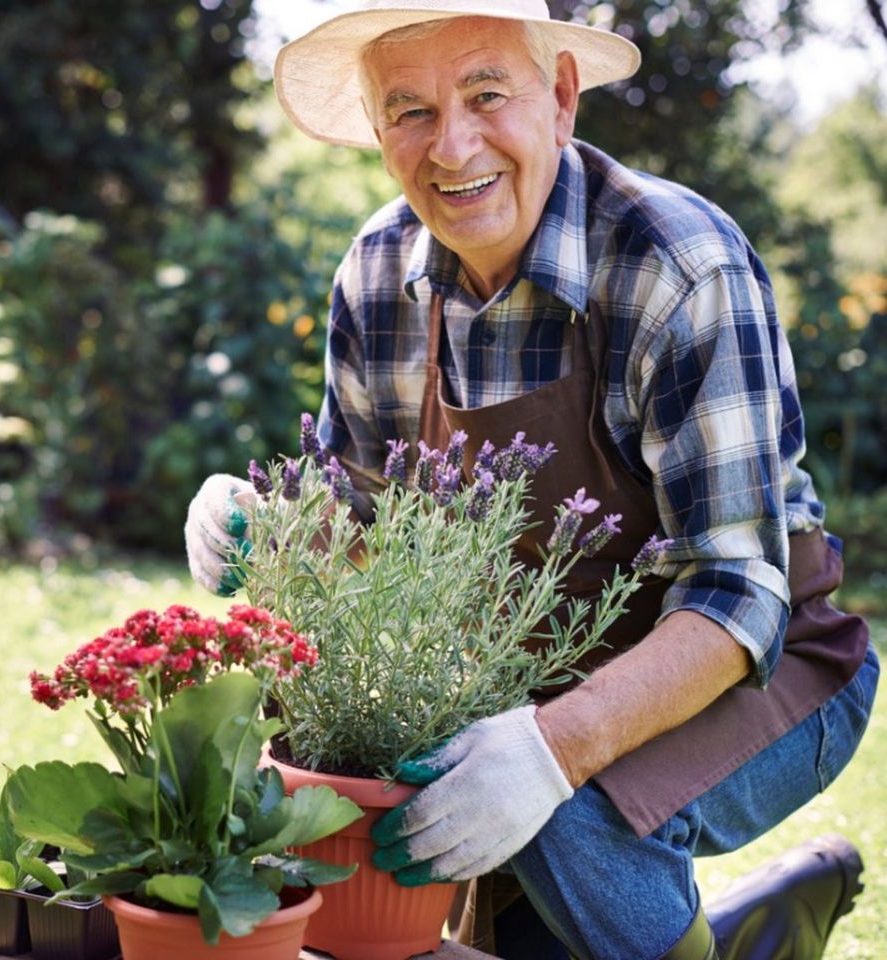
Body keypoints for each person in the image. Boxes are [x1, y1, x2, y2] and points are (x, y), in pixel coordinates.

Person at [184, 2, 878, 958]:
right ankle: (769, 927)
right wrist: (263, 524)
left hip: (766, 661)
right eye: (410, 110)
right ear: (379, 129)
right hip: (529, 683)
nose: (452, 144)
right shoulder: (378, 277)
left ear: (559, 98)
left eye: (486, 93)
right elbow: (362, 531)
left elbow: (737, 592)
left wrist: (553, 749)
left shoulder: (678, 264)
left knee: (570, 819)